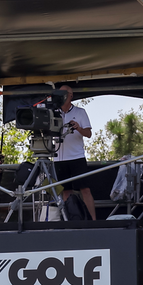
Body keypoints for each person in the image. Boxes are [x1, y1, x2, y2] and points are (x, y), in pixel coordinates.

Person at [52, 84, 96, 220]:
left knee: (85, 190)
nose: (61, 96)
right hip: (59, 158)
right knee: (65, 192)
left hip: (77, 156)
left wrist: (78, 128)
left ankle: (94, 222)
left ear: (70, 96)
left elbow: (88, 133)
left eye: (64, 94)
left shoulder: (80, 112)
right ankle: (70, 220)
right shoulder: (53, 112)